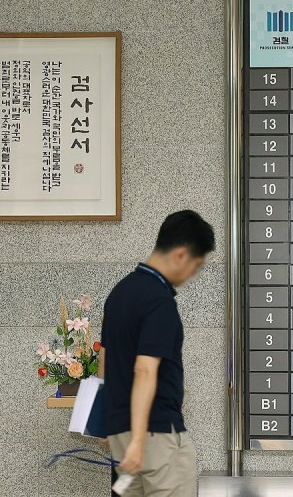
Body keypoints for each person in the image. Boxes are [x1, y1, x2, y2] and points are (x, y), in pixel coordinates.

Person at [98, 210, 215, 496]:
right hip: (155, 436)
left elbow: (104, 360)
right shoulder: (159, 301)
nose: (193, 275)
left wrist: (106, 422)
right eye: (196, 266)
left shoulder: (119, 293)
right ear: (181, 255)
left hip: (122, 437)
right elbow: (145, 369)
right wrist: (139, 441)